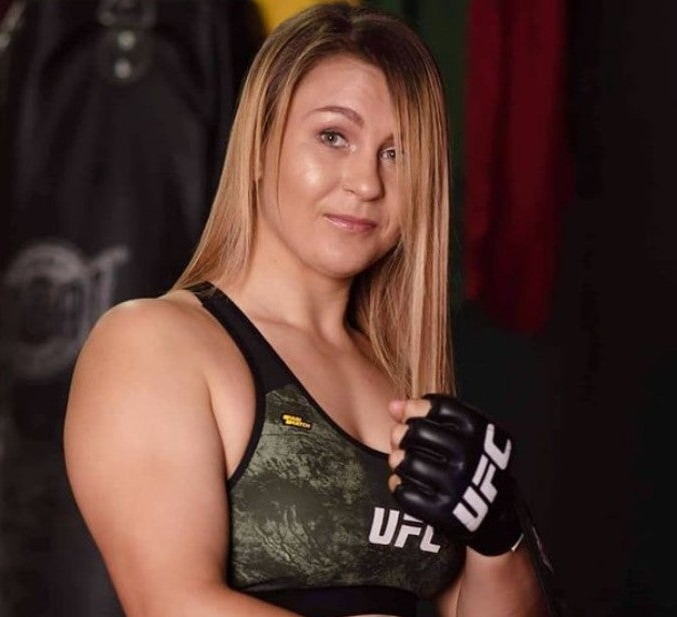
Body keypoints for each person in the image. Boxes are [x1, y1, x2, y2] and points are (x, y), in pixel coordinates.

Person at [63, 3, 557, 616]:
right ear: (259, 143)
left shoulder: (406, 380)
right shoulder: (155, 342)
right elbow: (173, 603)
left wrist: (500, 539)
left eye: (398, 153)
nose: (366, 183)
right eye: (333, 137)